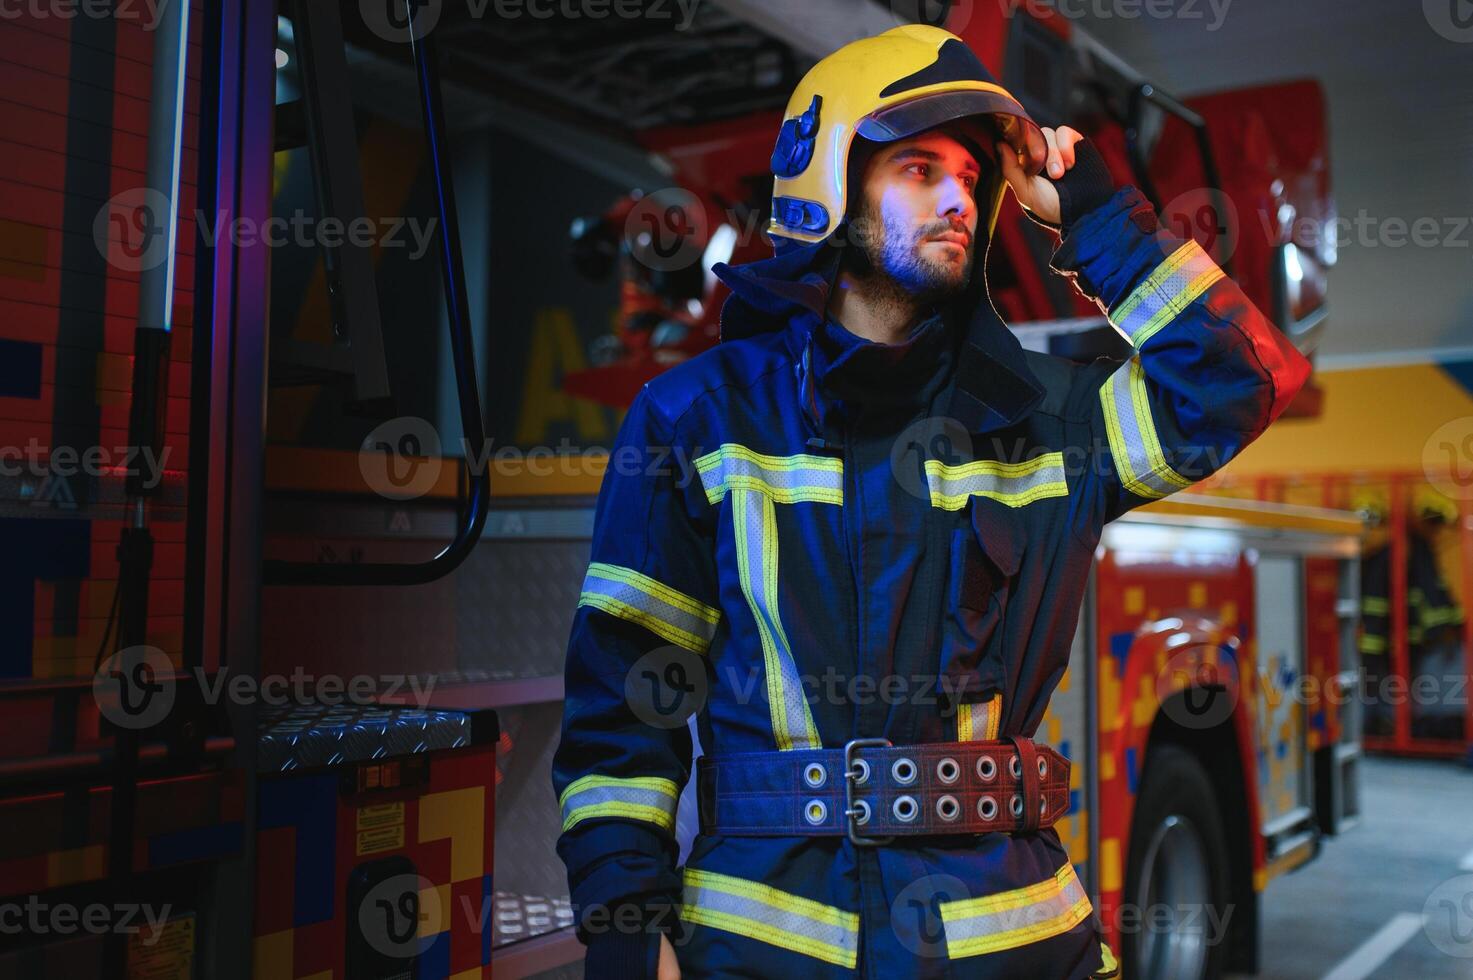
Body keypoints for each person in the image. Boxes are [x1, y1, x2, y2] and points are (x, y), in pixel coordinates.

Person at [552, 24, 1310, 979]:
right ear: (827, 182)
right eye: (917, 168)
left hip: (1016, 948)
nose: (958, 197)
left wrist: (1094, 217)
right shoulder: (698, 418)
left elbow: (1240, 384)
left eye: (969, 175)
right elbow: (627, 693)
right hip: (761, 952)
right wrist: (625, 931)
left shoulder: (1052, 422)